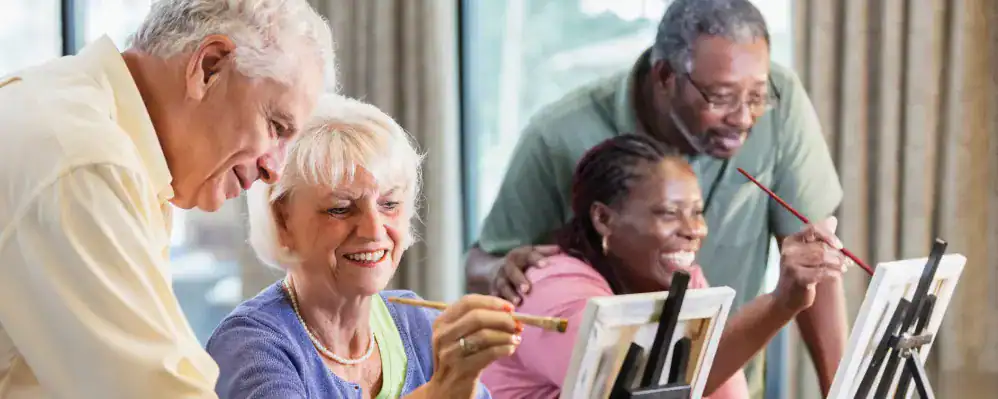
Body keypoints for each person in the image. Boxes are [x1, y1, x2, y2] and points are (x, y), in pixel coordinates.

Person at [464, 0, 846, 396]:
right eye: (719, 97)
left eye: (756, 99)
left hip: (721, 356)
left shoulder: (688, 282)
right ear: (665, 76)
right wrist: (499, 271)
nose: (745, 118)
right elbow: (642, 389)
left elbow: (812, 260)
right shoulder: (556, 144)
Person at [0, 1, 333, 397]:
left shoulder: (82, 117)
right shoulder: (86, 160)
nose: (274, 170)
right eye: (276, 126)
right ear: (209, 67)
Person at [480, 135, 848, 398]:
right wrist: (782, 302)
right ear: (604, 219)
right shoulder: (551, 286)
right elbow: (641, 389)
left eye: (697, 213)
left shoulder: (680, 278)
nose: (692, 231)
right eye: (669, 213)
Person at [207, 94, 520, 399]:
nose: (373, 230)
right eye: (340, 208)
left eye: (389, 203)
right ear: (282, 220)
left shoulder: (418, 324)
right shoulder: (249, 345)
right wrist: (441, 393)